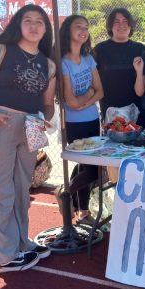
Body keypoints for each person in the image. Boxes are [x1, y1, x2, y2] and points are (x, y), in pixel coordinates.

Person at [0, 4, 56, 273]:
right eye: (27, 20)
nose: (33, 26)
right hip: (0, 124)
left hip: (30, 127)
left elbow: (48, 102)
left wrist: (43, 118)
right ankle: (5, 255)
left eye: (39, 21)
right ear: (18, 23)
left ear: (46, 28)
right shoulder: (1, 51)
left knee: (21, 189)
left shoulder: (48, 64)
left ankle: (21, 243)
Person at [60, 14, 104, 225]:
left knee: (90, 168)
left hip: (92, 120)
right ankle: (66, 192)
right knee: (89, 168)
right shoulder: (63, 63)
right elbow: (71, 102)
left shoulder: (88, 59)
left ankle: (82, 211)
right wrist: (87, 96)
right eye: (78, 26)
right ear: (68, 30)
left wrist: (83, 100)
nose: (83, 30)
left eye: (86, 27)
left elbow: (100, 91)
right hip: (74, 123)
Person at [93, 8, 145, 118]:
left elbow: (142, 89)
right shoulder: (99, 50)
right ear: (110, 26)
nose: (121, 25)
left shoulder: (142, 50)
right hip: (109, 111)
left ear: (131, 25)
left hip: (136, 111)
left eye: (125, 21)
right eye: (116, 22)